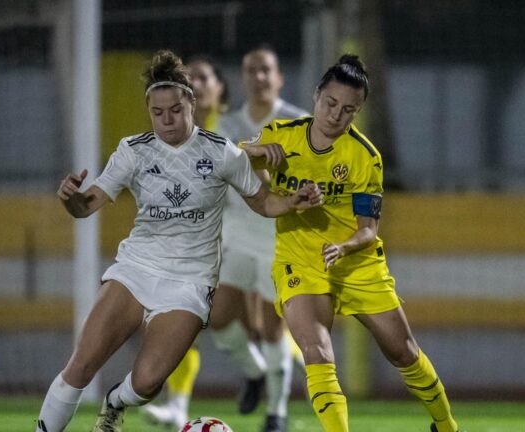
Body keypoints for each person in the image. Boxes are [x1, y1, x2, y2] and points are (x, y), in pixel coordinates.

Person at [34, 49, 322, 432]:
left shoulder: (221, 151)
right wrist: (71, 196)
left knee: (148, 382)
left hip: (190, 282)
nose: (167, 120)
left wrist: (292, 202)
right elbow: (86, 206)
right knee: (81, 365)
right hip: (136, 270)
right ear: (149, 110)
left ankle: (116, 402)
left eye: (175, 110)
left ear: (191, 103)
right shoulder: (132, 151)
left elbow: (262, 202)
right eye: (158, 112)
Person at [240, 54, 461, 432]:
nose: (336, 116)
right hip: (300, 259)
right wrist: (257, 154)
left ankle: (447, 426)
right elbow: (232, 158)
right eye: (330, 104)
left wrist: (344, 247)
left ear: (357, 112)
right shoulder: (281, 134)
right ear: (316, 96)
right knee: (317, 351)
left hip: (355, 262)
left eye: (348, 110)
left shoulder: (365, 157)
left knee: (403, 351)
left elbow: (368, 230)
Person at [142, 47, 308, 432]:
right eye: (251, 70)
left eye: (266, 69)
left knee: (270, 325)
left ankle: (276, 414)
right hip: (235, 235)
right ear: (243, 78)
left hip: (280, 237)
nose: (259, 76)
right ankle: (255, 373)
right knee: (216, 317)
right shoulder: (229, 126)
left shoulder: (296, 122)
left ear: (279, 76)